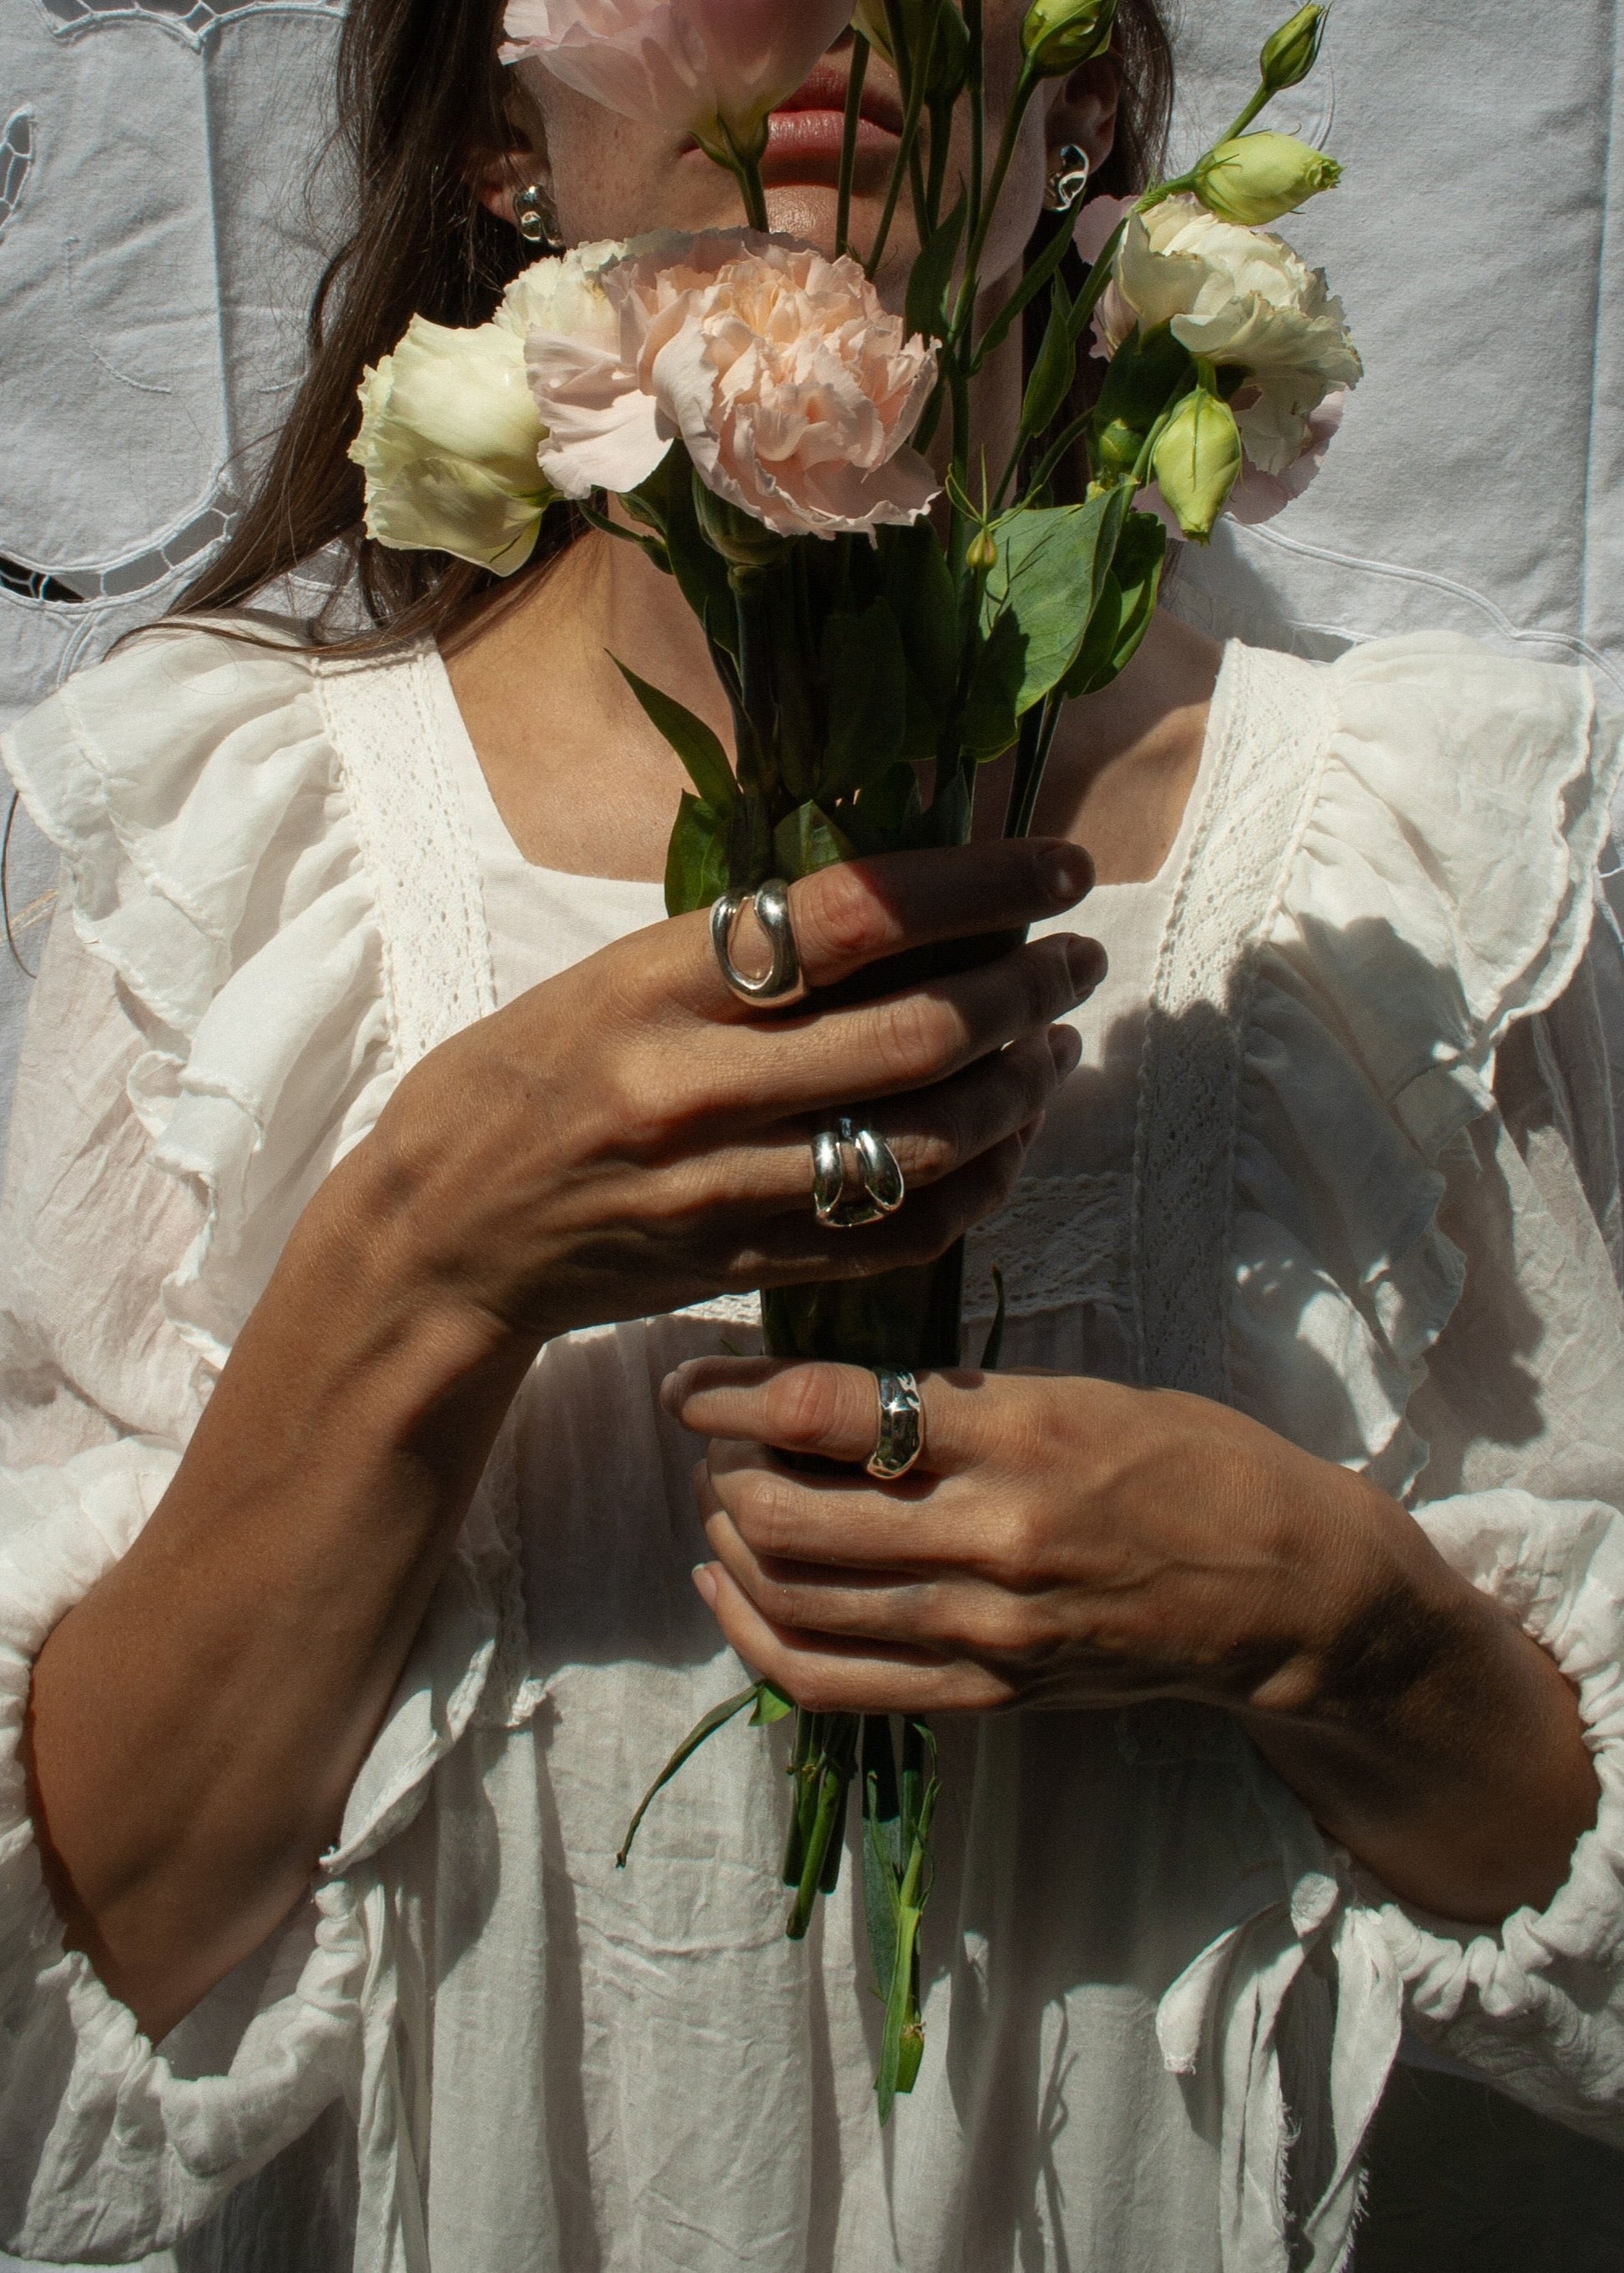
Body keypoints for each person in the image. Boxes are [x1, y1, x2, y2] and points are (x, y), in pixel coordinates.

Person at [3, 3, 1622, 2266]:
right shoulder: (235, 853)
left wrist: (1327, 1623)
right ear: (493, 135)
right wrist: (419, 1263)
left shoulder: (1396, 857)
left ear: (1067, 101)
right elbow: (94, 1963)